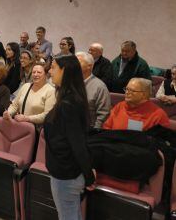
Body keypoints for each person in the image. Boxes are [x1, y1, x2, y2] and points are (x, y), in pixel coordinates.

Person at [44, 55, 95, 220]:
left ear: (64, 70)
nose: (49, 71)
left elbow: (78, 143)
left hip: (66, 174)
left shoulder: (69, 104)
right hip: (65, 171)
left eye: (53, 67)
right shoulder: (67, 98)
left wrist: (88, 176)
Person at [103, 78, 170, 131]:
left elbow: (161, 143)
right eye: (126, 89)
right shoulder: (120, 106)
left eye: (132, 91)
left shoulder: (158, 115)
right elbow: (107, 127)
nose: (127, 93)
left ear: (144, 94)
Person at [76, 52, 111, 129]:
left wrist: (94, 133)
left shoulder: (100, 87)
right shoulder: (70, 82)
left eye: (77, 62)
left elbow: (103, 115)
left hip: (88, 130)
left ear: (89, 66)